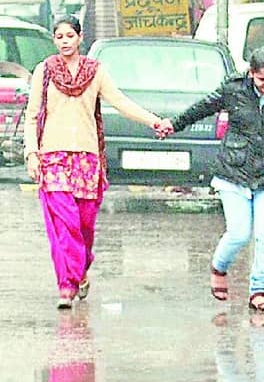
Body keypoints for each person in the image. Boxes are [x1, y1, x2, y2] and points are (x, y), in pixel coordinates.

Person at [160, 47, 264, 312]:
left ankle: (258, 291)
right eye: (262, 79)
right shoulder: (233, 89)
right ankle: (219, 267)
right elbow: (201, 109)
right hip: (233, 170)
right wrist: (173, 124)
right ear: (251, 74)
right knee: (239, 234)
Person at [23, 16, 164, 309]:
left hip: (87, 159)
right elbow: (33, 115)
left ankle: (81, 269)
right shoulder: (44, 71)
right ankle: (66, 286)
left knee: (83, 226)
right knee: (64, 224)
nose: (64, 41)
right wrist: (32, 153)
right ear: (54, 40)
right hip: (53, 157)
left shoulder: (95, 71)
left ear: (80, 37)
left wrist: (154, 121)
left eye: (69, 36)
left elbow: (121, 102)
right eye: (59, 37)